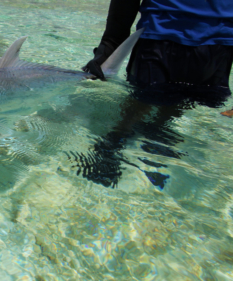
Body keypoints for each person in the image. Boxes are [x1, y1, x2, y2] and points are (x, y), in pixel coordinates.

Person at [78, 0, 233, 188]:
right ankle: (113, 144)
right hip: (163, 31)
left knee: (185, 98)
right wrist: (109, 45)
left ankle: (155, 133)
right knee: (140, 103)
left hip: (222, 39)